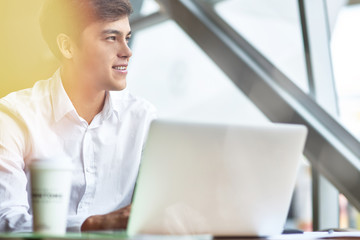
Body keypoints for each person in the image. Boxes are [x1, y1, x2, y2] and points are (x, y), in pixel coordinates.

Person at [0, 0, 156, 232]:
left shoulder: (143, 118)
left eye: (127, 37)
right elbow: (5, 219)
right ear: (67, 47)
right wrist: (94, 224)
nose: (127, 51)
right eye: (111, 38)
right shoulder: (14, 116)